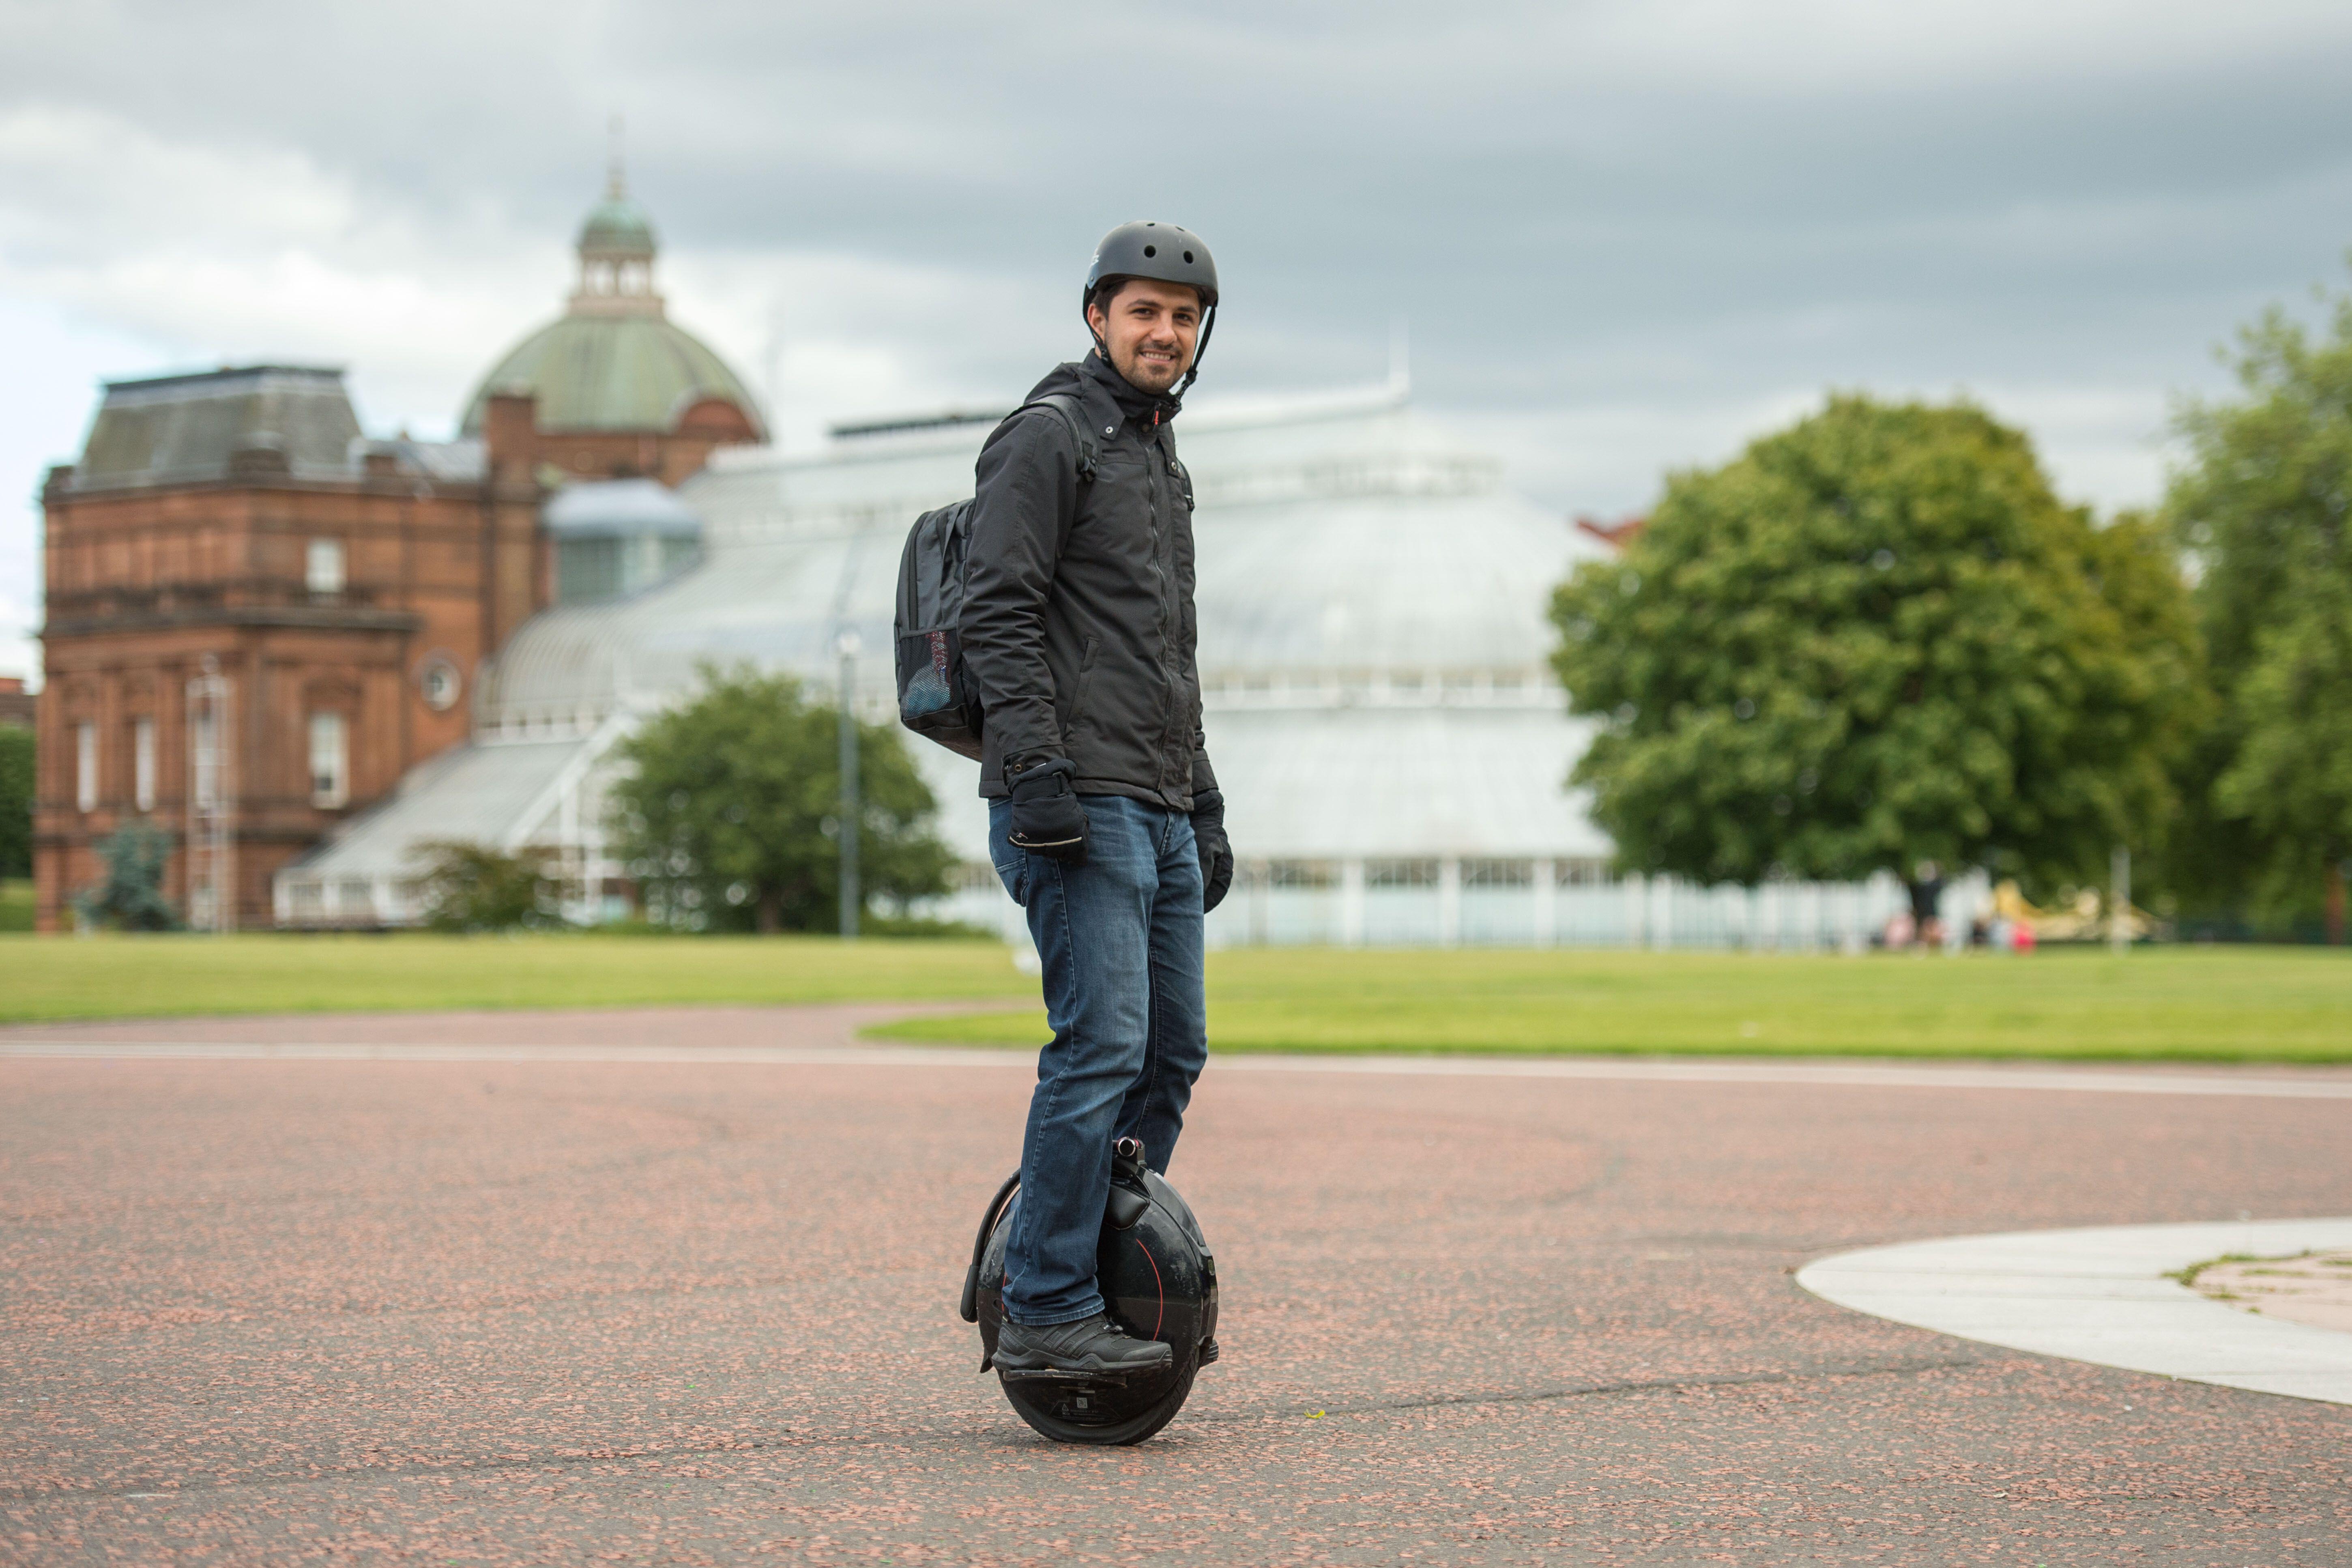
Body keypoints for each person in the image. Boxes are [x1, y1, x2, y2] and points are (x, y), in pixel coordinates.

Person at [959, 222, 1234, 1378]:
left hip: (1158, 798)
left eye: (1182, 317)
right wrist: (1035, 778)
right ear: (1096, 317)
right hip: (1079, 797)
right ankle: (1046, 1301)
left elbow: (1165, 654)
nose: (1163, 333)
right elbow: (997, 611)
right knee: (1101, 1044)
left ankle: (1072, 1255)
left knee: (1172, 1051)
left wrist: (1204, 803)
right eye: (1142, 312)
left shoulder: (1159, 462)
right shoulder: (1051, 435)